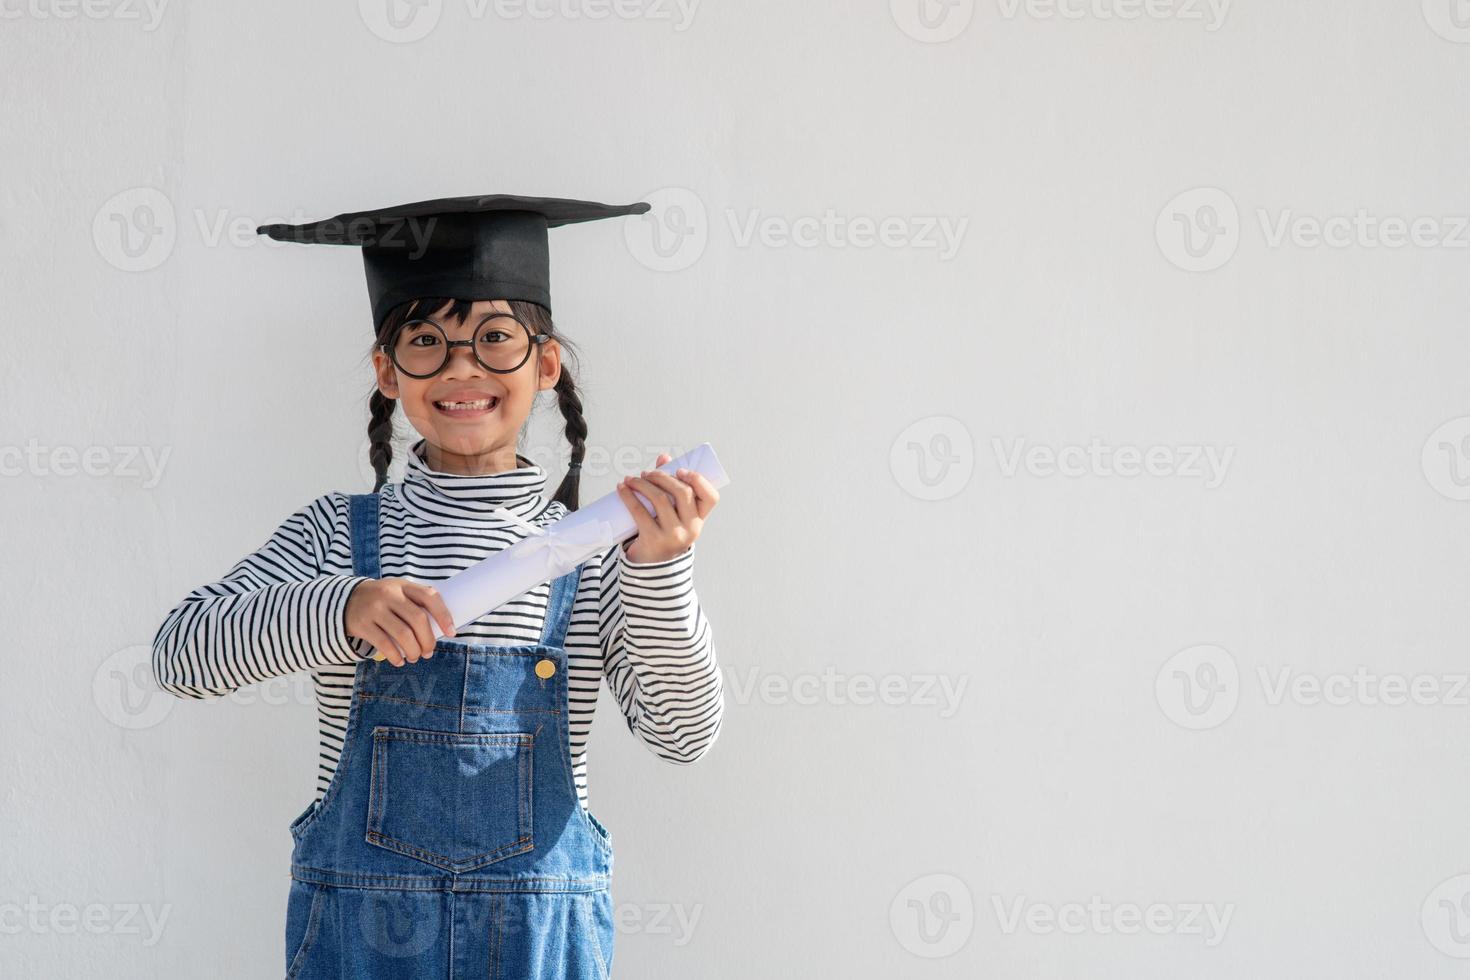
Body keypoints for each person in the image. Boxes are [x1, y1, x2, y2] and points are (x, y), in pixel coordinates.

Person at [150, 193, 725, 978]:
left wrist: (659, 571)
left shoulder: (593, 555)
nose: (463, 368)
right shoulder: (335, 536)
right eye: (427, 341)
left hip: (537, 943)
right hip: (362, 942)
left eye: (495, 339)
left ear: (545, 363)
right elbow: (181, 658)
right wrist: (337, 605)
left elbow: (683, 733)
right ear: (388, 372)